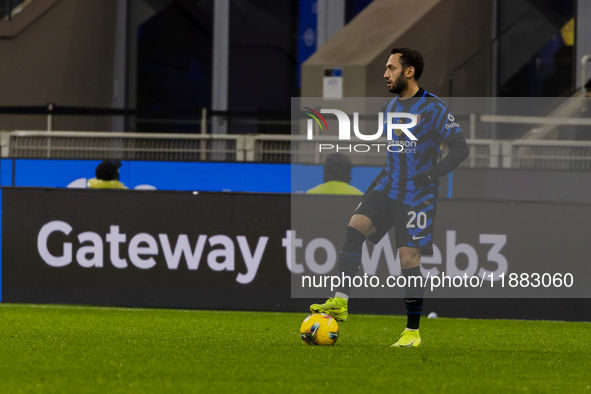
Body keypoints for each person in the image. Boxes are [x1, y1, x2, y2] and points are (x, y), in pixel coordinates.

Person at [309, 47, 469, 347]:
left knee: (408, 259)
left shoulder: (435, 108)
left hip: (418, 195)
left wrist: (432, 173)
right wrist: (378, 185)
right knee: (355, 226)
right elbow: (395, 155)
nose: (385, 74)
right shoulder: (388, 109)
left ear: (409, 71)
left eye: (391, 68)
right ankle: (340, 302)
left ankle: (412, 333)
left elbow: (461, 148)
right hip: (388, 186)